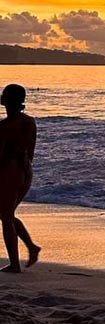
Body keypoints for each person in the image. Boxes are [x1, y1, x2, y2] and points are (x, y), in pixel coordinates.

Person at [0, 84, 40, 272]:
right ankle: (31, 247)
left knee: (6, 216)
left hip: (11, 171)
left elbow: (5, 154)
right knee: (6, 214)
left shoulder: (6, 126)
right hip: (25, 171)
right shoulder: (29, 122)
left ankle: (15, 264)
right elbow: (27, 151)